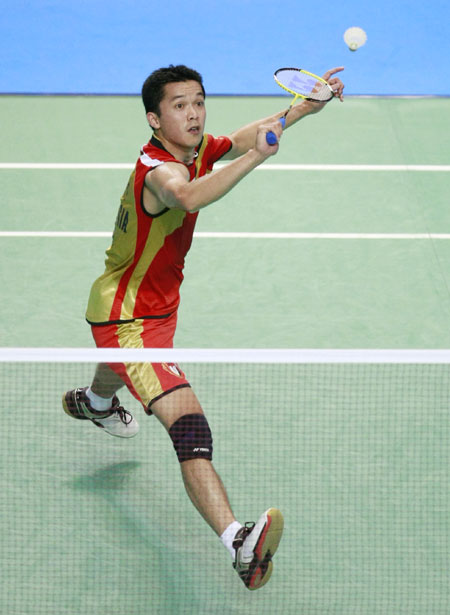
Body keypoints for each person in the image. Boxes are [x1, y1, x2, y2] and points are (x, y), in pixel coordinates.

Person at [62, 64, 344, 590]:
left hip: (155, 303)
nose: (193, 113)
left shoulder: (191, 150)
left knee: (128, 372)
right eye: (178, 105)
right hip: (129, 318)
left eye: (198, 101)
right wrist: (261, 155)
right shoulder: (160, 171)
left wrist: (301, 109)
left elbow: (234, 141)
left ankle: (95, 403)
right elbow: (189, 196)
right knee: (190, 425)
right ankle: (238, 542)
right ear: (153, 118)